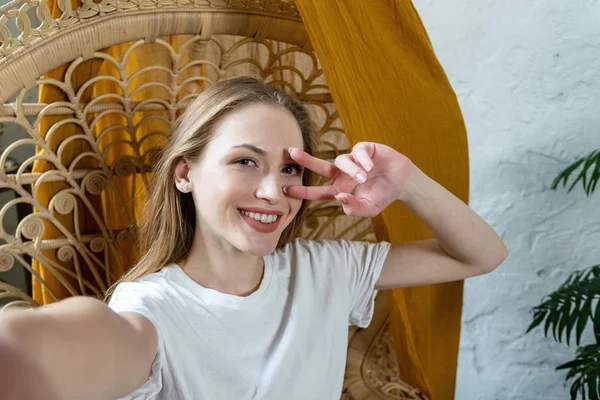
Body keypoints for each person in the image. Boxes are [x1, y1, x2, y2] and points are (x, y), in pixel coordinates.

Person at [0, 76, 508, 400]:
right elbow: (57, 348)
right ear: (185, 174)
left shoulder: (325, 270)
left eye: (289, 167)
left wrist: (408, 183)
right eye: (245, 161)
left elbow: (483, 255)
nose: (272, 191)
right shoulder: (150, 309)